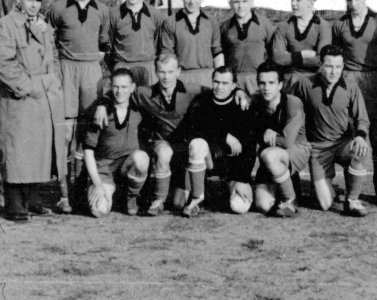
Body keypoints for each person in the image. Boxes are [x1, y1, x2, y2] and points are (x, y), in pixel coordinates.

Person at [94, 53, 249, 216]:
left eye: (170, 72)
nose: (166, 76)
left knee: (178, 202)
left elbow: (218, 89)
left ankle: (194, 190)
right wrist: (102, 105)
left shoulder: (192, 90)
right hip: (162, 147)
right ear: (156, 72)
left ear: (178, 71)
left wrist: (238, 91)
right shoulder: (144, 93)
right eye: (161, 72)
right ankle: (158, 200)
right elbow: (119, 91)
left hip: (185, 151)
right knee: (164, 151)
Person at [0, 0, 67, 222]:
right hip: (21, 98)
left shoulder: (43, 25)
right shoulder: (6, 25)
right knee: (18, 151)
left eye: (38, 0)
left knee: (38, 150)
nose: (34, 4)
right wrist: (28, 87)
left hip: (43, 96)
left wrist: (52, 81)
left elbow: (53, 57)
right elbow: (3, 64)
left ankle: (32, 201)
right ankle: (15, 206)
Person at [47, 0, 110, 212]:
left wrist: (96, 63)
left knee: (87, 132)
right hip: (66, 70)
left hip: (91, 72)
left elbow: (105, 43)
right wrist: (55, 67)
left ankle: (81, 189)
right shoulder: (58, 8)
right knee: (65, 134)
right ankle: (63, 194)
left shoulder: (102, 10)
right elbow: (45, 37)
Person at [331, 0, 377, 207]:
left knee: (375, 139)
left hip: (374, 84)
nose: (353, 3)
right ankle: (350, 191)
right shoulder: (339, 24)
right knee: (349, 137)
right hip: (348, 83)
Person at [292, 45, 371, 217]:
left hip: (342, 144)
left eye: (338, 67)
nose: (334, 71)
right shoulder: (304, 84)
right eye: (329, 66)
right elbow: (283, 100)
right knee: (325, 204)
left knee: (361, 149)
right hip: (318, 149)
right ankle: (327, 186)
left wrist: (359, 136)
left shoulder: (351, 86)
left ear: (343, 67)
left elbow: (362, 119)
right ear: (320, 64)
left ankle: (352, 200)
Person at [168, 66, 256, 217]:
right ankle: (198, 196)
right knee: (178, 203)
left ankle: (224, 188)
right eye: (216, 82)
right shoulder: (202, 101)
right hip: (207, 161)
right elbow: (189, 130)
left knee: (239, 207)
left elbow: (250, 146)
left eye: (225, 83)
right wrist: (223, 135)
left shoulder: (242, 105)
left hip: (231, 168)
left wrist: (242, 179)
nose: (219, 87)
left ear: (234, 86)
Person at [82, 69, 149, 217]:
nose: (119, 91)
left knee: (142, 158)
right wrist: (98, 184)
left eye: (124, 87)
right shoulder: (100, 112)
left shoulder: (139, 110)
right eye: (116, 87)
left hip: (126, 166)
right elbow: (88, 151)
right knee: (99, 210)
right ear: (111, 87)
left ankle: (131, 196)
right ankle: (113, 195)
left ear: (132, 88)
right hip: (104, 170)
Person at [253, 61, 311, 218]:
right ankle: (287, 182)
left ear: (280, 85)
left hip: (297, 150)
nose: (266, 88)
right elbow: (252, 132)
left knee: (269, 155)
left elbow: (286, 141)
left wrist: (265, 135)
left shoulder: (292, 102)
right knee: (263, 206)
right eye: (262, 83)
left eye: (271, 83)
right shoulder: (256, 102)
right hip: (272, 154)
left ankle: (289, 199)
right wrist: (264, 131)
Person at [159, 0, 224, 87]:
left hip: (208, 78)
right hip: (181, 78)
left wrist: (220, 79)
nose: (192, 1)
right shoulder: (170, 23)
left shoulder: (211, 21)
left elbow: (217, 52)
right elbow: (167, 56)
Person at [108, 0, 166, 87]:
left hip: (148, 69)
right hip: (123, 68)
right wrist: (116, 67)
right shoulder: (113, 15)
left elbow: (161, 44)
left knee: (148, 103)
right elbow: (107, 46)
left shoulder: (156, 15)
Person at [272, 0, 332, 91]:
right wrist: (304, 54)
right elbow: (278, 58)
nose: (293, 3)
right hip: (288, 83)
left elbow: (320, 60)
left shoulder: (323, 27)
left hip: (314, 83)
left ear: (311, 2)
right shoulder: (283, 26)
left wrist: (290, 57)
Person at [220, 0, 276, 94]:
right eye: (236, 2)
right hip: (234, 82)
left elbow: (273, 54)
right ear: (230, 4)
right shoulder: (224, 27)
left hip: (259, 81)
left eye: (245, 1)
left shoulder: (264, 24)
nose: (241, 6)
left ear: (251, 1)